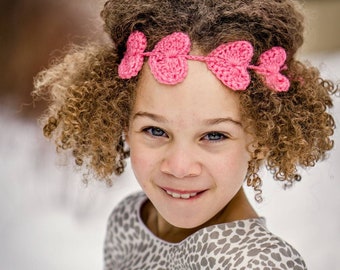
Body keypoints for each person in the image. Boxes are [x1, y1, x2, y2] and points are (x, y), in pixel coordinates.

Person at [33, 0, 338, 269]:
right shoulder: (130, 220)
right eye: (155, 130)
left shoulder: (256, 263)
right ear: (123, 123)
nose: (179, 167)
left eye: (214, 136)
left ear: (260, 139)